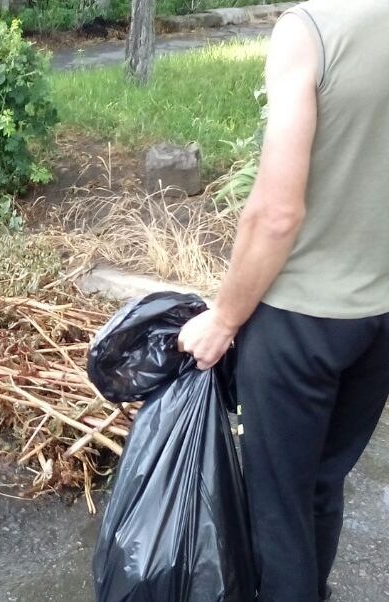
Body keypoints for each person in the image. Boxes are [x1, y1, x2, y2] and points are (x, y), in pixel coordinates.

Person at [178, 2, 389, 601]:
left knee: (278, 507)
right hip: (380, 319)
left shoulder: (309, 31)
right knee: (323, 483)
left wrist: (224, 318)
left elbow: (276, 213)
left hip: (300, 323)